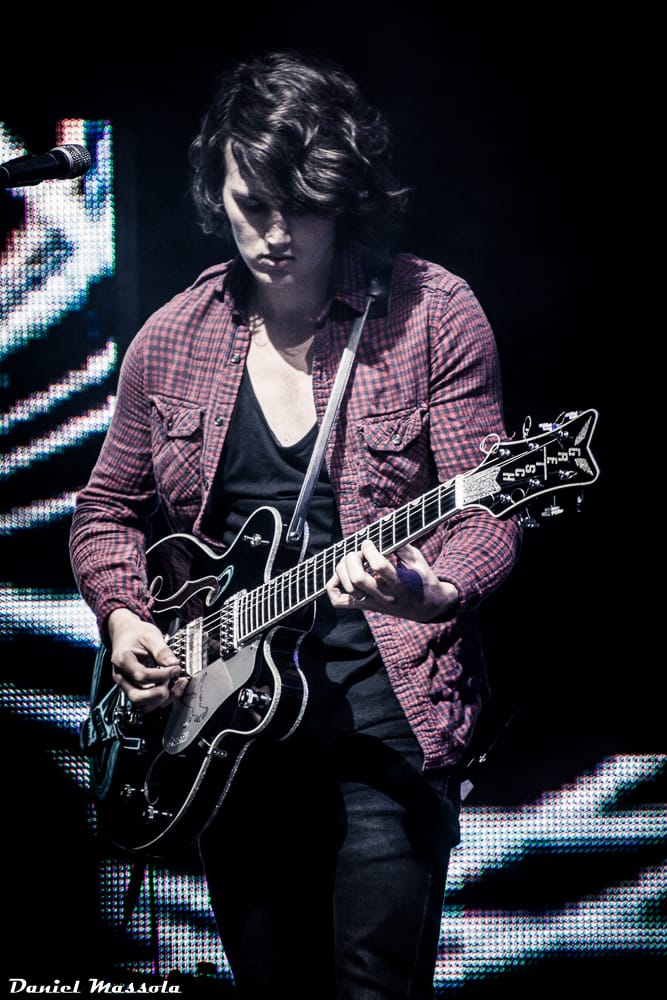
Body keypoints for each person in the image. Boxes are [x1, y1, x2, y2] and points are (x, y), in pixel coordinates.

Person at [70, 50, 522, 1000]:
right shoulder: (171, 339)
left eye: (303, 208)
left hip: (386, 724)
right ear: (217, 189)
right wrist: (124, 619)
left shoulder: (431, 315)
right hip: (227, 737)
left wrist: (433, 588)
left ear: (345, 197)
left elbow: (487, 506)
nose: (274, 234)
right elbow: (106, 511)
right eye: (253, 204)